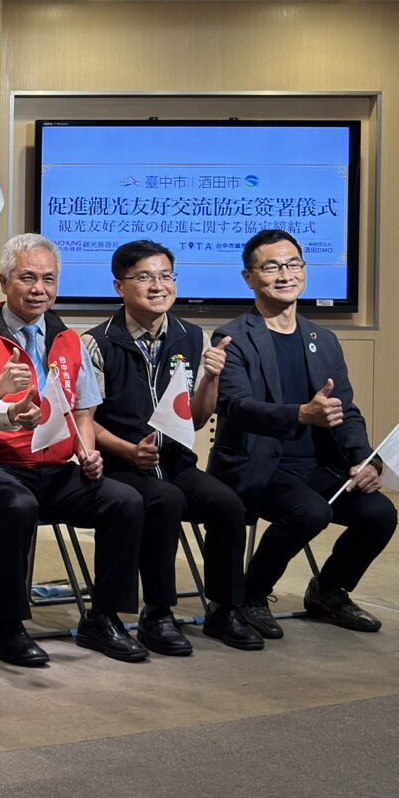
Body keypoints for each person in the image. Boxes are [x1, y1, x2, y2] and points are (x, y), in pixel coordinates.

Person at [0, 233, 150, 667]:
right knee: (17, 505)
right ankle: (5, 625)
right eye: (27, 278)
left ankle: (104, 618)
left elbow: (83, 412)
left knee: (125, 500)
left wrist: (88, 454)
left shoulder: (69, 339)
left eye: (48, 279)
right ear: (4, 281)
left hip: (55, 469)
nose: (39, 289)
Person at [208, 228, 396, 635]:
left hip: (315, 467)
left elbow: (345, 411)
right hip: (256, 467)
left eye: (293, 264)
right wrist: (301, 415)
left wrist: (365, 461)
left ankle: (328, 591)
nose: (285, 274)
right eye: (272, 267)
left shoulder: (323, 340)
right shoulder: (233, 338)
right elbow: (237, 406)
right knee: (311, 511)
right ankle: (251, 594)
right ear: (249, 277)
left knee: (380, 514)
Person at [81, 240, 260, 652]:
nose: (158, 286)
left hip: (175, 462)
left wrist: (211, 379)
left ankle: (225, 609)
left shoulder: (192, 337)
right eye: (144, 277)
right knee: (165, 500)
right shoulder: (97, 342)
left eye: (165, 275)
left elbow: (195, 418)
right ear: (119, 286)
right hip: (122, 466)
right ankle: (157, 613)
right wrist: (128, 451)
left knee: (227, 504)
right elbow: (85, 420)